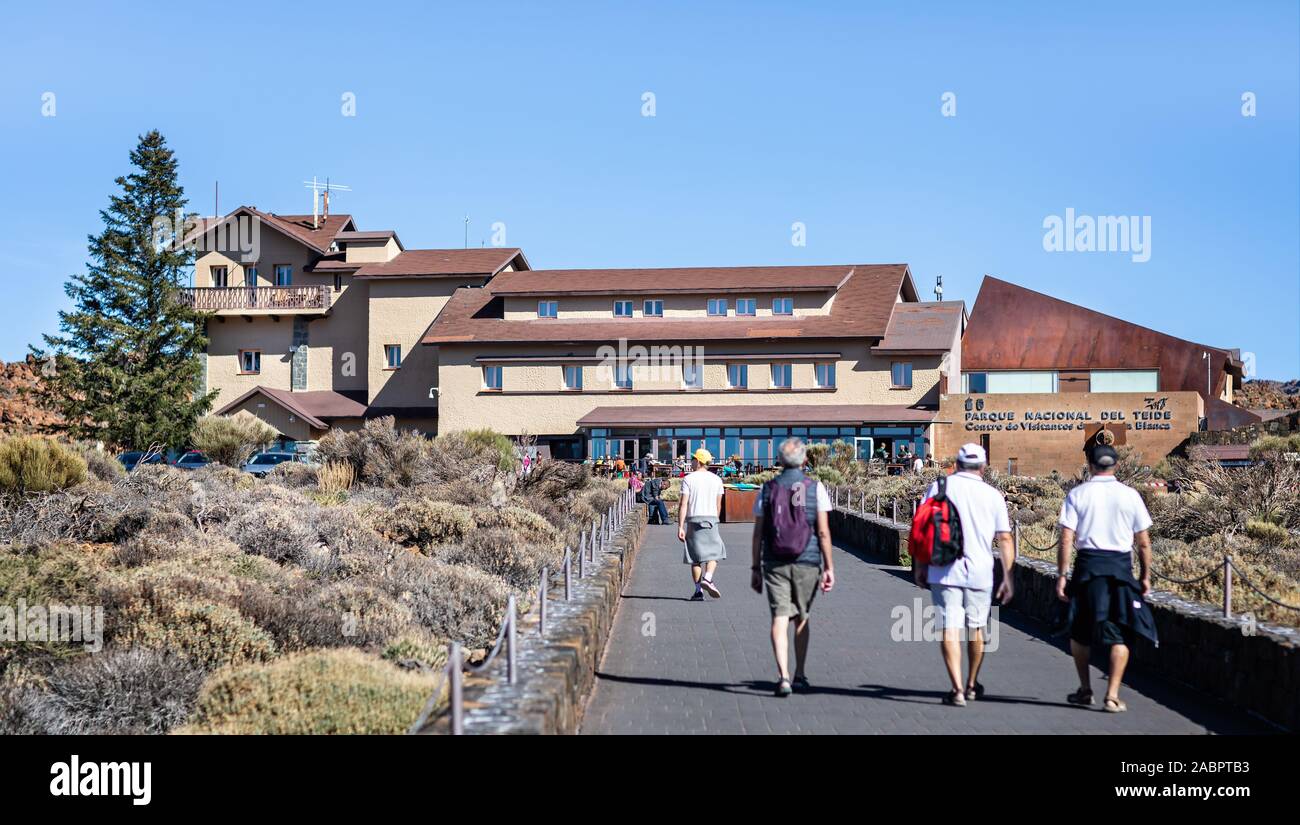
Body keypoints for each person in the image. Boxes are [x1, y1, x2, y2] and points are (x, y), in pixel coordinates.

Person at [1056, 444, 1157, 713]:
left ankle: (1086, 689)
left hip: (1088, 568)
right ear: (1117, 465)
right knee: (1120, 634)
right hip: (1121, 570)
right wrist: (1145, 576)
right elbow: (1144, 543)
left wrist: (1062, 575)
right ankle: (1112, 696)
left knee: (1080, 633)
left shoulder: (1078, 494)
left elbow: (1067, 538)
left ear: (1089, 464)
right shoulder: (1131, 495)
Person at [914, 443, 1015, 707]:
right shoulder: (993, 495)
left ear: (956, 463)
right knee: (977, 628)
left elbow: (921, 528)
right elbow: (1004, 538)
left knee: (949, 627)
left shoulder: (938, 488)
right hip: (980, 571)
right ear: (983, 467)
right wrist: (1008, 576)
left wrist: (920, 566)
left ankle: (956, 689)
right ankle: (972, 682)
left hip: (943, 569)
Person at [751, 438, 835, 697]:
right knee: (801, 616)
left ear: (779, 461)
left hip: (774, 560)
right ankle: (799, 674)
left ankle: (783, 676)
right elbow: (822, 531)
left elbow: (758, 533)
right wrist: (829, 566)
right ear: (805, 460)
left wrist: (755, 567)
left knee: (779, 616)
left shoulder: (768, 488)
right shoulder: (815, 487)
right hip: (807, 561)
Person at [677, 448, 725, 601]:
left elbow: (683, 504)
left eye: (693, 459)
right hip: (711, 518)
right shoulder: (717, 480)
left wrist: (680, 526)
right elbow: (719, 505)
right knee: (715, 552)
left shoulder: (688, 479)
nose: (691, 462)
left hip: (693, 520)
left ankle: (698, 591)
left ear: (698, 461)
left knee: (695, 557)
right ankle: (708, 578)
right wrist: (715, 520)